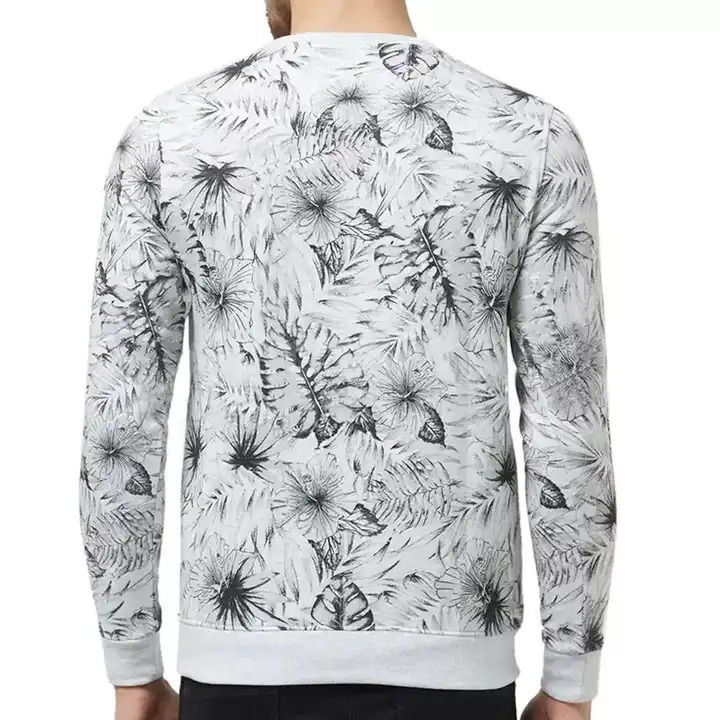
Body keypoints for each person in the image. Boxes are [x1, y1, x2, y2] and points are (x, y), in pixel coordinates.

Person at [78, 1, 616, 718]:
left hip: (239, 662)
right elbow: (567, 425)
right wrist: (571, 678)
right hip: (456, 666)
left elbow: (121, 422)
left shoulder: (168, 134)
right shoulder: (530, 135)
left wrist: (133, 665)